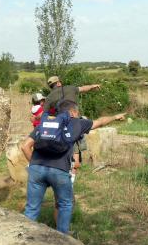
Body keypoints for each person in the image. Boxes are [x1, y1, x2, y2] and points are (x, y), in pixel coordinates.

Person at [20, 100, 125, 234]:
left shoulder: (46, 122)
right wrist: (115, 117)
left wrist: (35, 164)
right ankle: (63, 239)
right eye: (77, 112)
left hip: (36, 168)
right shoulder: (77, 122)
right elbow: (100, 122)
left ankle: (24, 238)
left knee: (32, 208)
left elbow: (25, 146)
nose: (78, 114)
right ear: (72, 112)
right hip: (59, 170)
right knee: (65, 204)